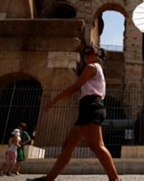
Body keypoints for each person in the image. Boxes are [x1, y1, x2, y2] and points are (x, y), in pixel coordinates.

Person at [30, 44, 119, 181]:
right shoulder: (95, 69)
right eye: (85, 53)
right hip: (87, 108)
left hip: (91, 106)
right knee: (68, 145)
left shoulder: (92, 67)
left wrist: (54, 100)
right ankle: (49, 179)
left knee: (97, 146)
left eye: (90, 53)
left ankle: (115, 179)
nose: (87, 55)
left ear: (96, 55)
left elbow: (75, 86)